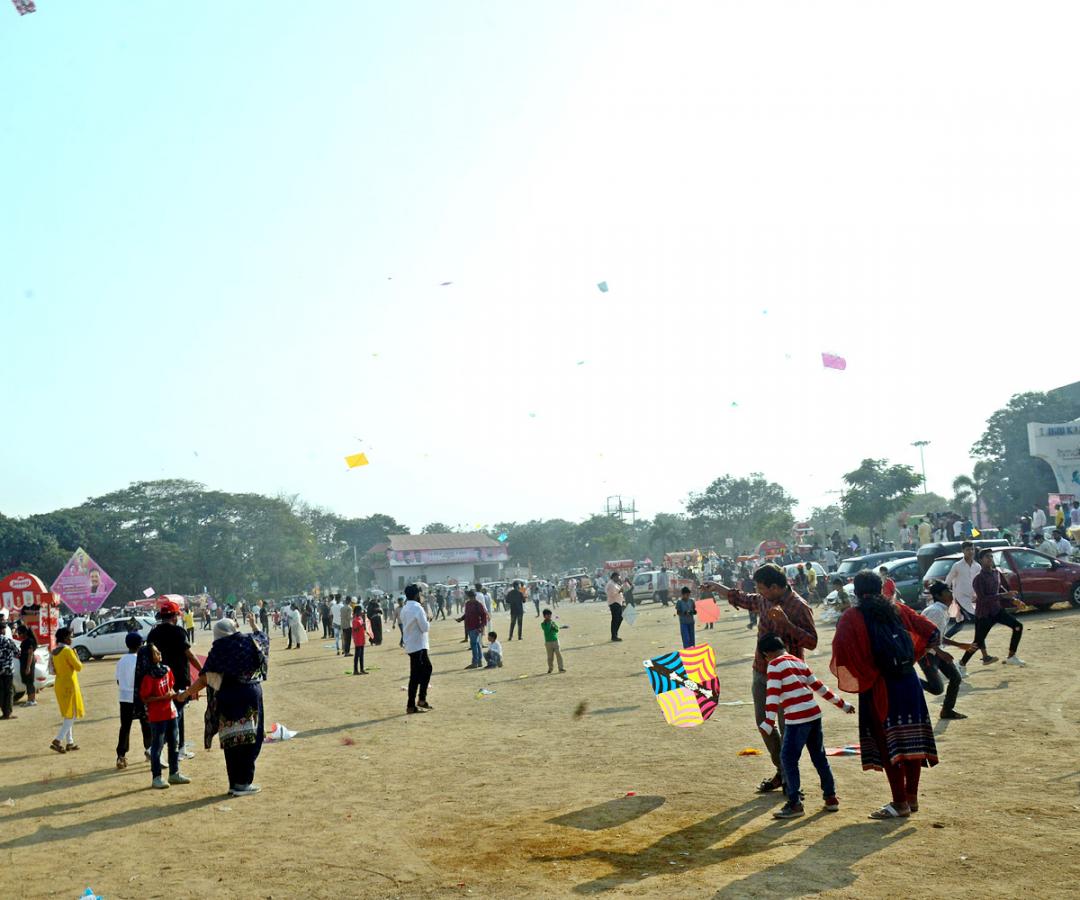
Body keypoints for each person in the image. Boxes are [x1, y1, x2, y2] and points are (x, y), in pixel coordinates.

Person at [830, 570, 939, 819]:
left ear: (856, 592)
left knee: (887, 744)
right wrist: (912, 657)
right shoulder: (898, 609)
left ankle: (899, 803)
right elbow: (932, 633)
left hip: (878, 686)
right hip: (908, 682)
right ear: (881, 588)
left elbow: (841, 654)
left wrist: (867, 673)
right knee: (911, 741)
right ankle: (911, 798)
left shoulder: (851, 617)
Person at [703, 564, 818, 795]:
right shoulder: (764, 600)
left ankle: (790, 781)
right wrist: (717, 588)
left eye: (761, 588)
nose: (759, 591)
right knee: (764, 724)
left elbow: (812, 641)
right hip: (762, 670)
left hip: (788, 677)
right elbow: (742, 598)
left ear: (775, 587)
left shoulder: (798, 607)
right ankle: (783, 771)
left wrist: (787, 624)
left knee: (788, 728)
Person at [759, 633, 854, 819]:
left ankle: (794, 803)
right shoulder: (798, 661)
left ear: (767, 653)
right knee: (819, 757)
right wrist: (843, 704)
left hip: (797, 719)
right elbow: (819, 687)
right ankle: (830, 797)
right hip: (813, 714)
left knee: (787, 759)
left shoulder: (774, 665)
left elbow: (772, 696)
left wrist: (768, 722)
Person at [178, 616, 269, 796]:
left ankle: (234, 782)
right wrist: (252, 624)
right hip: (249, 695)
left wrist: (186, 694)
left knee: (232, 740)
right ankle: (243, 783)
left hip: (227, 698)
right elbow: (263, 638)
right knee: (249, 739)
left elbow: (206, 679)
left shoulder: (218, 650)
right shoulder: (249, 642)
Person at [146, 599, 201, 758]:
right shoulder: (178, 632)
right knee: (176, 715)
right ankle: (157, 748)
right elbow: (189, 654)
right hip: (178, 680)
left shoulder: (153, 633)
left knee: (176, 713)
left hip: (159, 681)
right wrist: (202, 670)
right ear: (175, 616)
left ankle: (181, 747)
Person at [958, 548, 1025, 669]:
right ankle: (961, 665)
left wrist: (1014, 600)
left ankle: (1011, 657)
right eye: (987, 557)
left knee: (1018, 626)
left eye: (991, 556)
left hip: (997, 610)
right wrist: (1003, 595)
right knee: (977, 642)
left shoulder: (996, 573)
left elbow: (1000, 589)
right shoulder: (978, 579)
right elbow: (983, 599)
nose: (990, 559)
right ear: (980, 560)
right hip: (984, 614)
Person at [919, 582, 977, 719]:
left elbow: (938, 636)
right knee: (937, 689)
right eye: (947, 591)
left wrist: (959, 644)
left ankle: (947, 710)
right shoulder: (935, 611)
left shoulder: (943, 610)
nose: (951, 593)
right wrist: (941, 653)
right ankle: (908, 678)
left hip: (936, 652)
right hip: (927, 653)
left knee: (955, 677)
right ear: (939, 595)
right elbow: (924, 636)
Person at [139, 642, 190, 789]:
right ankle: (157, 777)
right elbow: (145, 698)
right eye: (155, 652)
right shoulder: (148, 677)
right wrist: (162, 698)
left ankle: (174, 773)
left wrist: (178, 695)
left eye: (158, 651)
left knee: (174, 744)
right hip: (157, 716)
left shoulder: (167, 670)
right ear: (149, 657)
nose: (159, 653)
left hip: (171, 712)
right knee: (157, 746)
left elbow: (171, 689)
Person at [115, 632, 151, 769]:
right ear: (141, 645)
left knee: (125, 727)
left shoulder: (122, 660)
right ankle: (150, 750)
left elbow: (118, 680)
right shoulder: (141, 659)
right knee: (146, 725)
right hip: (139, 697)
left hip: (124, 697)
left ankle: (121, 755)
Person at [50, 627, 84, 753]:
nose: (72, 639)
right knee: (72, 714)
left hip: (59, 683)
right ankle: (58, 740)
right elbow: (78, 667)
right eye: (70, 636)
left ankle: (70, 742)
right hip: (69, 684)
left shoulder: (54, 651)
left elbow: (53, 671)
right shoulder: (67, 651)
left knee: (68, 714)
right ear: (65, 638)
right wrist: (76, 655)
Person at [400, 584, 433, 714]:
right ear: (416, 595)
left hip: (413, 644)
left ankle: (421, 700)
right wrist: (428, 619)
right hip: (418, 645)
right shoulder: (417, 608)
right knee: (416, 675)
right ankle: (412, 704)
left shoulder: (405, 608)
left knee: (424, 670)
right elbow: (424, 627)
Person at [457, 590, 488, 669]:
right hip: (470, 627)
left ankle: (475, 662)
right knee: (477, 644)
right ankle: (479, 661)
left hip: (476, 627)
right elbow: (467, 614)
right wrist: (461, 619)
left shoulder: (478, 605)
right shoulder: (468, 604)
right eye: (470, 598)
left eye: (472, 597)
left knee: (474, 644)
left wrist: (481, 627)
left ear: (474, 597)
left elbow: (484, 616)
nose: (471, 599)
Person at [16, 623, 37, 706]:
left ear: (24, 632)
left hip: (28, 663)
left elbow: (30, 654)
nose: (19, 635)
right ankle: (30, 699)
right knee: (27, 681)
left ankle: (32, 700)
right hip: (25, 662)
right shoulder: (27, 640)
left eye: (20, 633)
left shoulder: (29, 641)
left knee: (29, 682)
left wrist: (28, 667)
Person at [0, 626, 17, 719]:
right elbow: (16, 652)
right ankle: (8, 713)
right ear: (2, 630)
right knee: (9, 691)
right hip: (8, 669)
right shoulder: (7, 640)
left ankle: (3, 712)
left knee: (1, 691)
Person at [541, 609, 565, 674]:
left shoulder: (553, 622)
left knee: (559, 654)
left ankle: (561, 668)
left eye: (550, 615)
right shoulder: (543, 624)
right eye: (547, 615)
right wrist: (549, 623)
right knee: (550, 657)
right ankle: (550, 668)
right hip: (548, 642)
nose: (549, 616)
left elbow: (557, 630)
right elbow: (547, 630)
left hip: (555, 641)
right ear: (544, 616)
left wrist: (553, 626)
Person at [606, 572, 626, 642]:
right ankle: (614, 636)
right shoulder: (611, 584)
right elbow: (611, 594)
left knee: (619, 618)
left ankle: (615, 634)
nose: (618, 578)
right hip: (614, 603)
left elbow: (619, 592)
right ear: (614, 577)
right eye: (617, 577)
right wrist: (620, 591)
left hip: (618, 602)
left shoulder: (615, 583)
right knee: (615, 619)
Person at [351, 605, 368, 675]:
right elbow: (355, 629)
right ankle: (355, 670)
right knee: (357, 655)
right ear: (357, 611)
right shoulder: (355, 620)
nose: (361, 612)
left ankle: (361, 669)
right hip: (358, 639)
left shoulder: (360, 618)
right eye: (360, 611)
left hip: (362, 638)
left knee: (361, 655)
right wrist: (361, 625)